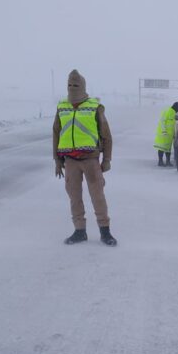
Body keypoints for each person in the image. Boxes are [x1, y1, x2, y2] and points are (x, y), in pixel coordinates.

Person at [53, 69, 117, 246]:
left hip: (90, 160)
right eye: (69, 85)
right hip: (70, 161)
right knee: (74, 197)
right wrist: (57, 160)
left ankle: (105, 232)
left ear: (83, 86)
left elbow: (107, 136)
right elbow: (56, 134)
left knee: (97, 196)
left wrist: (107, 159)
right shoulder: (62, 107)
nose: (72, 88)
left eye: (76, 85)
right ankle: (79, 231)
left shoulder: (94, 107)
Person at [154, 102, 178, 167]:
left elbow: (173, 125)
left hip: (169, 135)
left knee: (168, 149)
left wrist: (174, 134)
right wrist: (164, 131)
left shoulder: (174, 113)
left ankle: (168, 162)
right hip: (164, 134)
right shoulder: (168, 111)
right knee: (162, 148)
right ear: (176, 108)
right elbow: (162, 121)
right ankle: (160, 162)